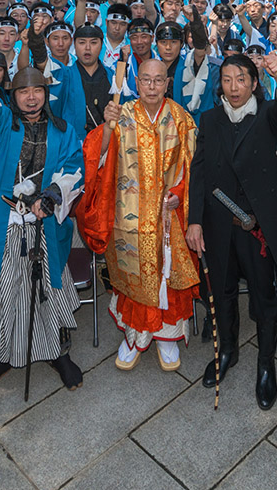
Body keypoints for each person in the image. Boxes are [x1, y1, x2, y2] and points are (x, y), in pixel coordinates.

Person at [0, 67, 86, 395]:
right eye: (22, 92)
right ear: (13, 96)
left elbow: (74, 168)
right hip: (6, 221)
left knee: (47, 289)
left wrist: (53, 195)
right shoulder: (3, 123)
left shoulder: (62, 129)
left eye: (37, 92)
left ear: (46, 94)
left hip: (43, 222)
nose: (31, 98)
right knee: (2, 289)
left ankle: (57, 353)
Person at [186, 52, 277, 410]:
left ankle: (266, 363)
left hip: (256, 227)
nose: (234, 87)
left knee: (264, 298)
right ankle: (227, 351)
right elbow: (200, 172)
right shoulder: (209, 118)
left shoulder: (266, 115)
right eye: (228, 79)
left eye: (241, 80)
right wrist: (195, 220)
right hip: (219, 225)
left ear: (254, 83)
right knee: (222, 293)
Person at [80, 58, 199, 371]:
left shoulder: (180, 117)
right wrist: (106, 127)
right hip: (129, 215)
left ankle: (167, 336)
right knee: (135, 277)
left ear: (167, 83)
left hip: (169, 215)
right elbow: (98, 157)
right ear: (135, 80)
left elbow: (193, 166)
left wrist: (179, 194)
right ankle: (135, 336)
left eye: (158, 80)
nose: (152, 86)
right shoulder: (123, 114)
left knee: (168, 274)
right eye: (146, 80)